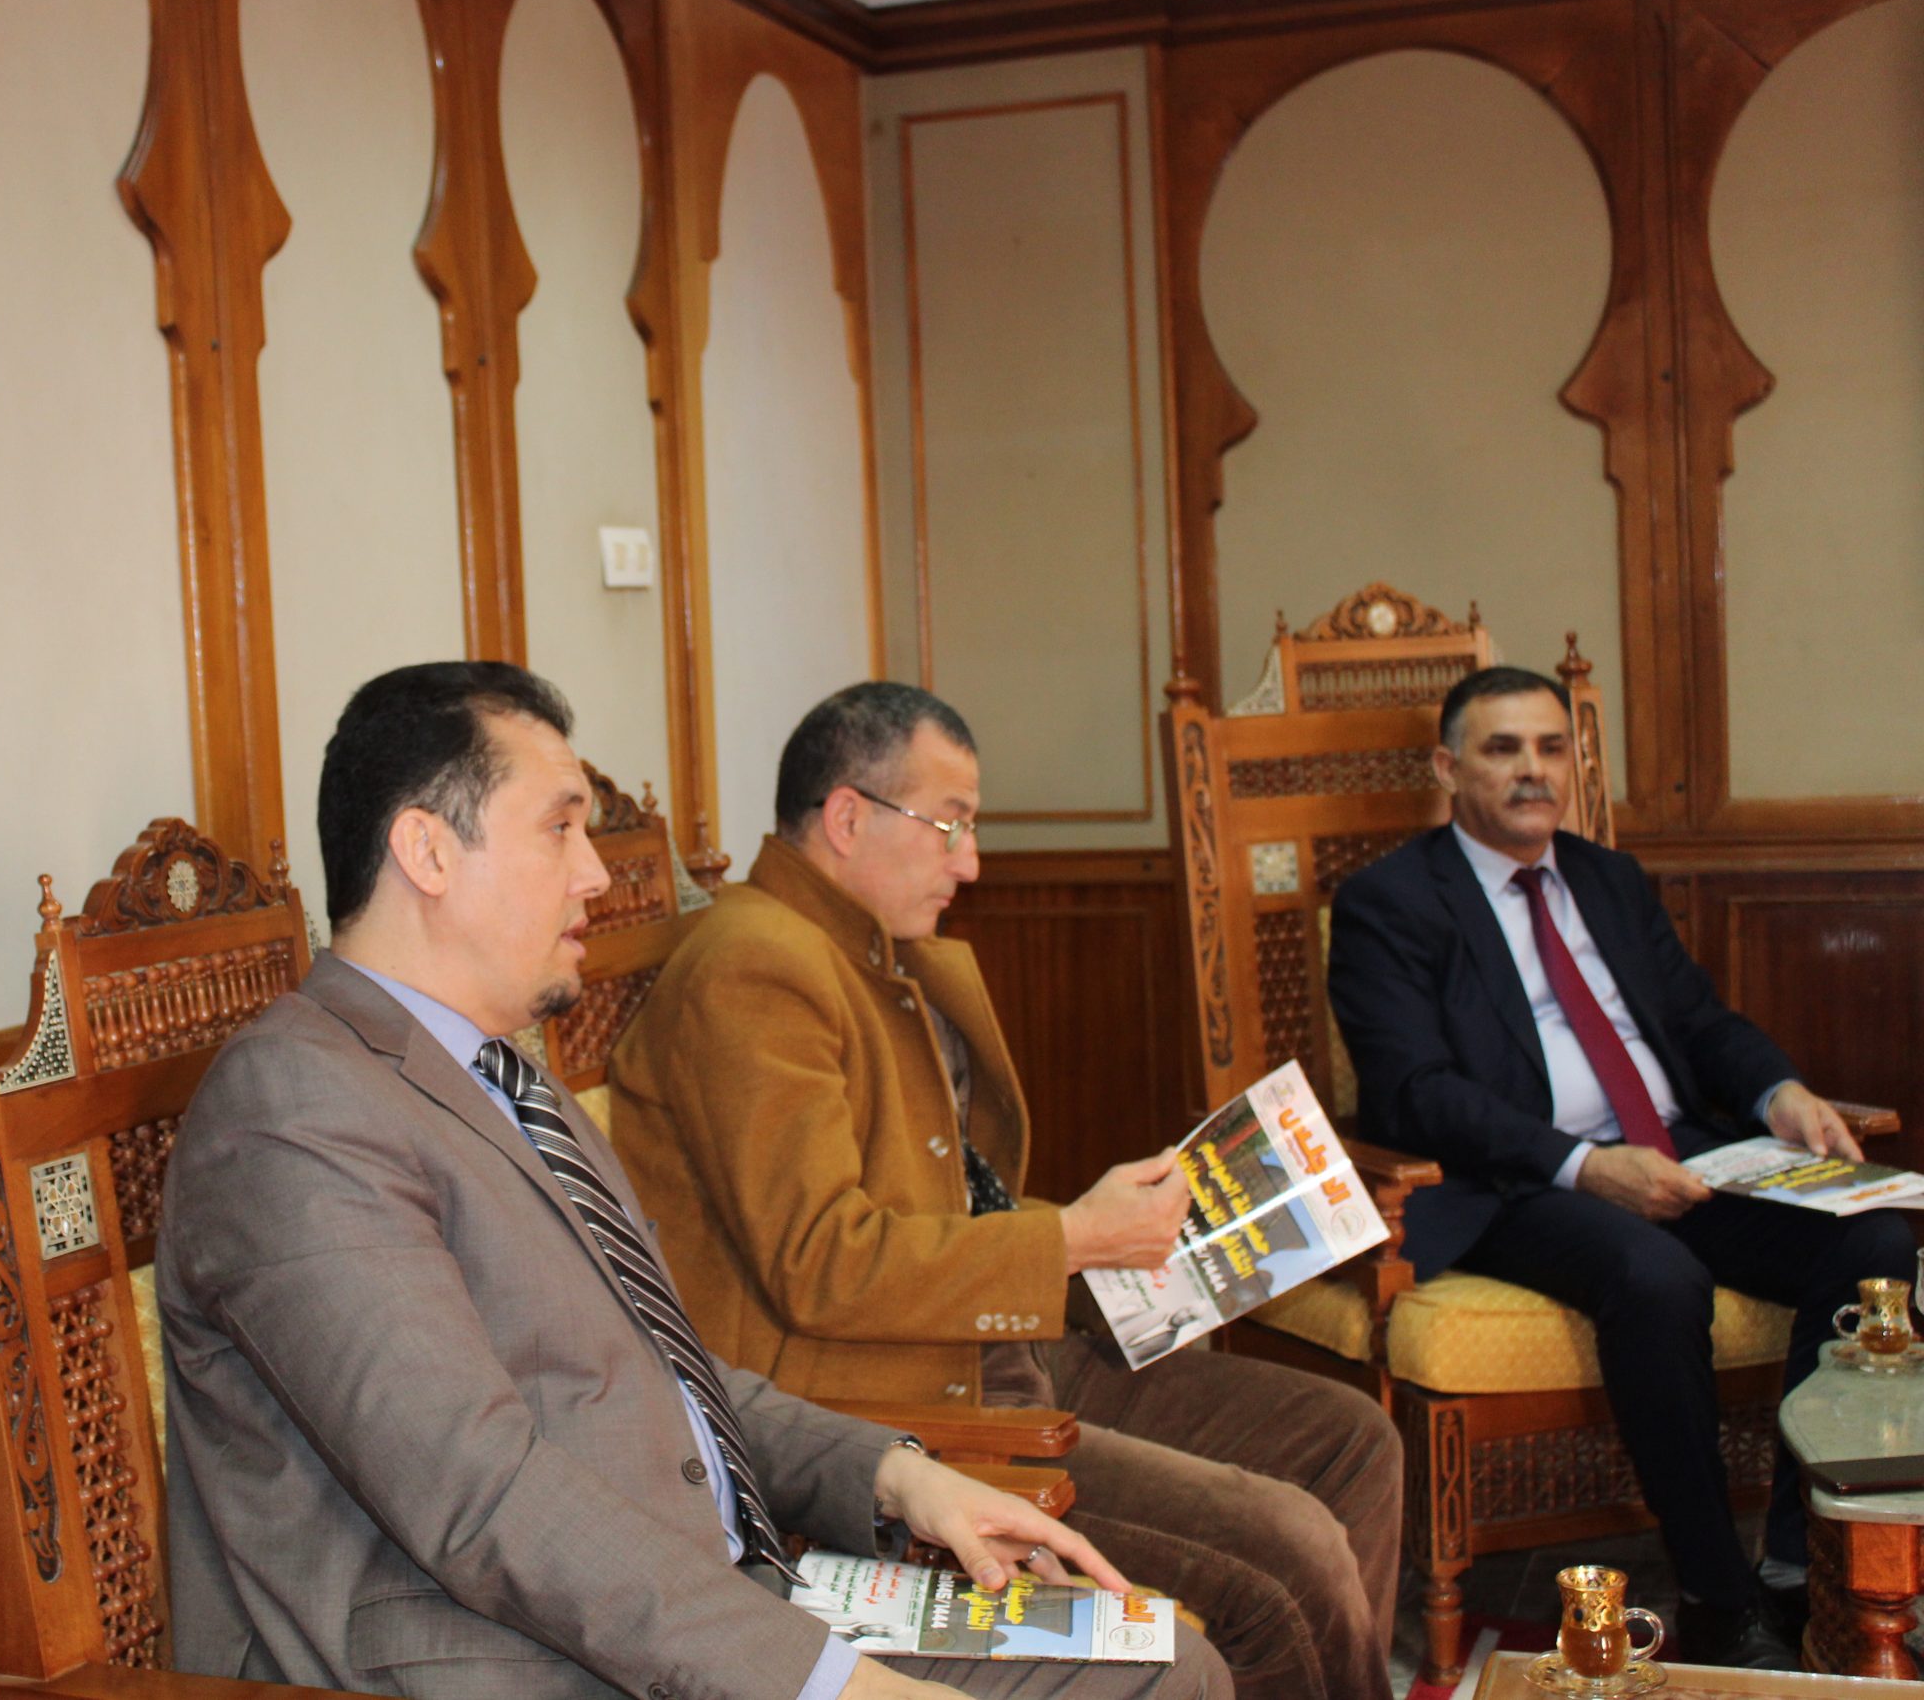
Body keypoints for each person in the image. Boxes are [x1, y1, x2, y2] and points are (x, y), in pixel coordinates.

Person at [157, 662, 1231, 1700]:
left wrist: (893, 1475)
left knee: (1159, 1657)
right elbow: (478, 1492)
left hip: (685, 1606)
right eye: (559, 828)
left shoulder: (501, 1076)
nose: (594, 873)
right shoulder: (297, 1109)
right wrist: (828, 1683)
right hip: (504, 1656)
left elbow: (665, 1370)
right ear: (427, 851)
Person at [610, 682, 1401, 1700]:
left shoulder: (867, 952)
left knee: (1350, 1440)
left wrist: (1123, 1236)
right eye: (951, 825)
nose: (971, 863)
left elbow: (945, 1209)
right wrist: (1071, 1241)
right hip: (897, 1400)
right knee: (1288, 1551)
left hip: (995, 1343)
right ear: (847, 817)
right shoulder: (755, 967)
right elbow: (822, 1263)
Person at [1326, 665, 1915, 1672]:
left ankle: (1793, 1559)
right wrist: (1584, 1166)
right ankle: (1718, 1597)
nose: (1532, 770)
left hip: (1676, 1146)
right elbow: (1414, 1093)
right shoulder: (1390, 902)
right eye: (1503, 749)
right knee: (1655, 1274)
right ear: (1448, 768)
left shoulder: (1607, 878)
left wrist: (1778, 1092)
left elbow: (1697, 1020)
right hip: (1512, 1181)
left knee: (1871, 1241)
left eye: (1551, 748)